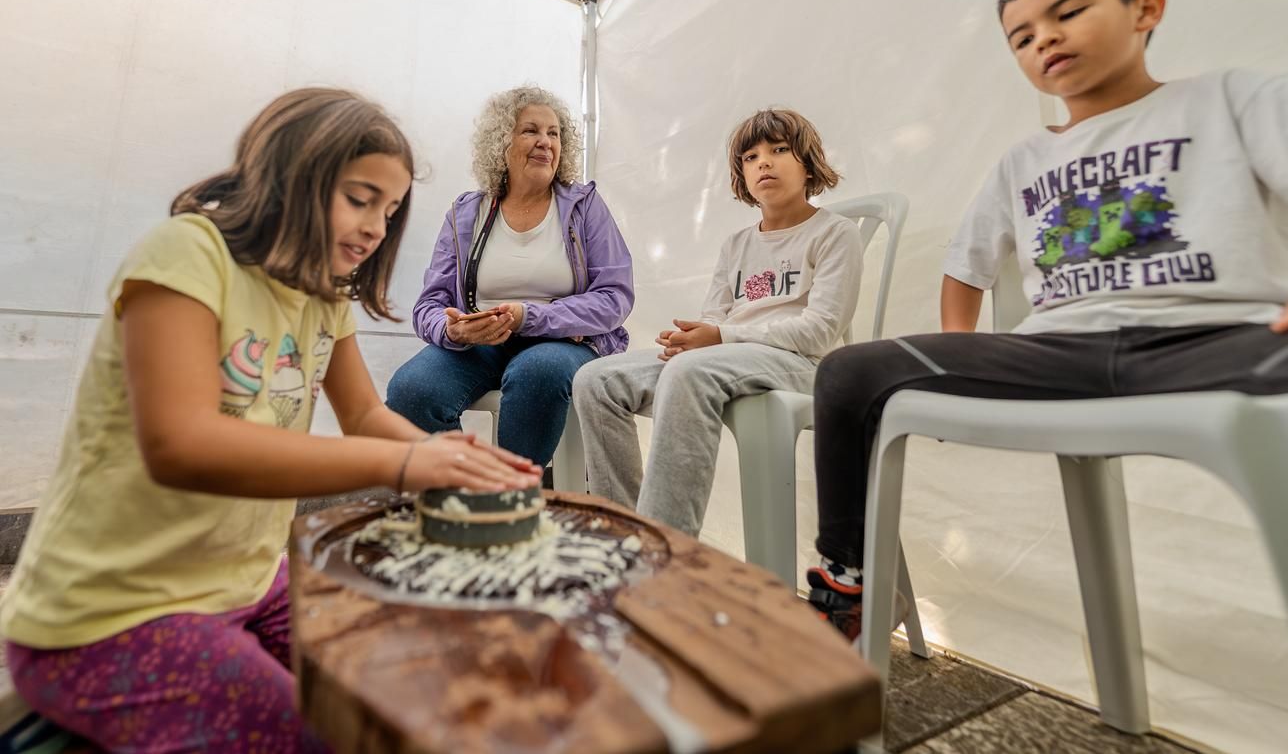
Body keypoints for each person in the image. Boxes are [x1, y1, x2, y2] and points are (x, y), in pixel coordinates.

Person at [0, 88, 539, 752]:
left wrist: (453, 454)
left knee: (392, 690)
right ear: (291, 173)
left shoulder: (324, 294)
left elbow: (366, 412)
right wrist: (406, 464)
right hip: (110, 611)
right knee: (317, 734)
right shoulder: (188, 252)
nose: (376, 226)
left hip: (251, 581)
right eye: (359, 197)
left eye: (390, 210)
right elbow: (181, 443)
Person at [807, 0, 1288, 640]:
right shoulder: (1025, 157)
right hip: (1060, 350)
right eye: (1023, 37)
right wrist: (961, 345)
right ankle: (848, 586)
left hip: (1215, 340)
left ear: (1145, 9)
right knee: (850, 370)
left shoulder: (1230, 98)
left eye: (1069, 12)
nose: (1047, 40)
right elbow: (966, 264)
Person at [573, 108, 864, 537]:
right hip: (727, 358)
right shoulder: (737, 244)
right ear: (741, 175)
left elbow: (819, 331)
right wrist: (692, 337)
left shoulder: (835, 234)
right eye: (750, 157)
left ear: (808, 163)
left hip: (801, 364)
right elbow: (715, 316)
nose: (764, 161)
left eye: (780, 149)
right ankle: (624, 539)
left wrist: (720, 337)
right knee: (595, 379)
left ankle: (666, 554)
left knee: (691, 373)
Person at [386, 86, 634, 482]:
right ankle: (466, 493)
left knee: (538, 372)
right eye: (530, 131)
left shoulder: (583, 206)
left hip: (562, 342)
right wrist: (452, 329)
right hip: (481, 344)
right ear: (502, 141)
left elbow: (614, 298)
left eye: (554, 134)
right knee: (412, 390)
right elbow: (428, 306)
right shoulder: (465, 213)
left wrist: (528, 317)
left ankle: (511, 496)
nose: (545, 142)